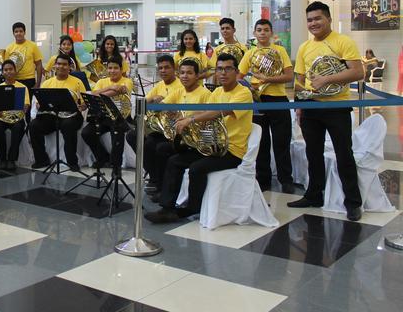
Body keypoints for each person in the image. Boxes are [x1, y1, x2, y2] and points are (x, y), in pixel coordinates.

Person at [145, 53, 253, 223]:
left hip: (232, 151)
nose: (223, 73)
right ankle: (167, 208)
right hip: (212, 145)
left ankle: (193, 208)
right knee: (174, 161)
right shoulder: (217, 91)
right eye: (219, 69)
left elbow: (220, 111)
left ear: (237, 72)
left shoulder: (244, 93)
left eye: (228, 69)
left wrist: (191, 119)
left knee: (197, 168)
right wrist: (184, 117)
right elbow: (204, 111)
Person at [290, 1, 364, 221]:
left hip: (337, 107)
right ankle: (314, 195)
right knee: (312, 154)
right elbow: (299, 81)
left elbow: (358, 72)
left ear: (329, 19)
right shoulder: (304, 47)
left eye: (317, 18)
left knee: (344, 154)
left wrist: (326, 79)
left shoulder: (343, 41)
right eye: (310, 20)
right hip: (311, 106)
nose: (313, 23)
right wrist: (300, 105)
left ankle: (353, 203)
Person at [238, 19, 295, 193]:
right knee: (261, 142)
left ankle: (286, 179)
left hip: (278, 100)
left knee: (282, 141)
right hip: (258, 100)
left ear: (271, 33)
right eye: (259, 30)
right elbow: (239, 77)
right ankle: (263, 178)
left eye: (266, 30)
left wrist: (267, 79)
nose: (262, 33)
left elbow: (289, 76)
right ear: (254, 33)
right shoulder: (250, 53)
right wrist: (249, 87)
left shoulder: (280, 50)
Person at [126, 55, 183, 189]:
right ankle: (153, 173)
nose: (163, 71)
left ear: (174, 69)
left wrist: (163, 102)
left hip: (171, 128)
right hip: (157, 126)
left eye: (167, 67)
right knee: (132, 135)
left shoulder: (181, 85)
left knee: (150, 143)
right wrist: (153, 100)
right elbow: (144, 102)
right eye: (160, 68)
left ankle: (157, 179)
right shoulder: (159, 85)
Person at [29, 54, 86, 172]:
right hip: (51, 116)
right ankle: (41, 159)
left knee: (68, 125)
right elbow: (39, 103)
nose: (61, 67)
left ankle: (72, 162)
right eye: (59, 64)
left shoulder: (78, 82)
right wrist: (40, 105)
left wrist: (83, 106)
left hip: (72, 115)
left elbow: (84, 102)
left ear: (70, 67)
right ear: (55, 65)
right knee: (34, 125)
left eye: (65, 64)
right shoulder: (47, 83)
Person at [81, 56, 133, 176]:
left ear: (121, 69)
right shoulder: (102, 82)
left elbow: (106, 93)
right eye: (110, 68)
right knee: (86, 133)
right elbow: (93, 94)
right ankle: (103, 157)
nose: (112, 71)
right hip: (103, 115)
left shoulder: (127, 81)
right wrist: (109, 87)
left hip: (120, 116)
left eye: (115, 68)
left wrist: (103, 92)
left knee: (117, 132)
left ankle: (116, 166)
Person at [0, 60, 31, 171]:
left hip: (16, 118)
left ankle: (12, 159)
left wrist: (22, 110)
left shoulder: (22, 87)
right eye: (5, 70)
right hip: (2, 118)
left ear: (15, 71)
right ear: (2, 72)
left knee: (18, 128)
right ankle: (3, 159)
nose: (8, 72)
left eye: (10, 69)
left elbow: (26, 106)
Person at [5, 22, 43, 89]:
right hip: (14, 79)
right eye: (16, 31)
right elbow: (7, 66)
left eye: (21, 31)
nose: (18, 33)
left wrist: (38, 83)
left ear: (24, 32)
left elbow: (39, 64)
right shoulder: (9, 48)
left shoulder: (33, 46)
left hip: (29, 80)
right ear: (13, 33)